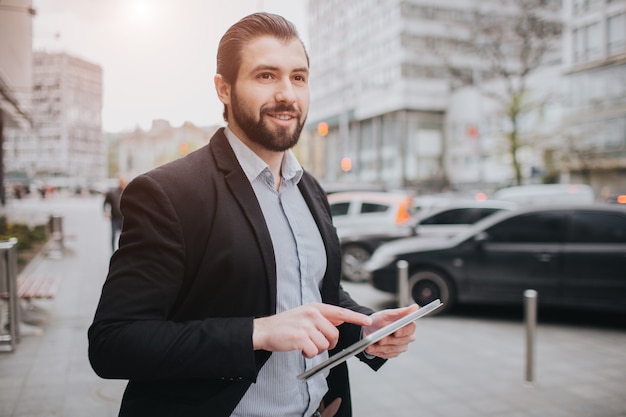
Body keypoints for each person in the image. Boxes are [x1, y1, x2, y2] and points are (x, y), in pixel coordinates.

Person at [88, 12, 420, 417]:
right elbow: (113, 343)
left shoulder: (310, 188)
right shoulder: (167, 193)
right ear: (223, 89)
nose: (287, 94)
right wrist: (256, 332)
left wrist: (365, 327)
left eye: (298, 77)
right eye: (266, 76)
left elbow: (316, 294)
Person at [102, 177, 126, 251]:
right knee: (113, 237)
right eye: (122, 182)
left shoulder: (127, 192)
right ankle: (112, 251)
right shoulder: (112, 193)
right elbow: (105, 203)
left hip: (124, 219)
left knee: (124, 237)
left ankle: (122, 251)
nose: (123, 184)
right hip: (115, 219)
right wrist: (106, 212)